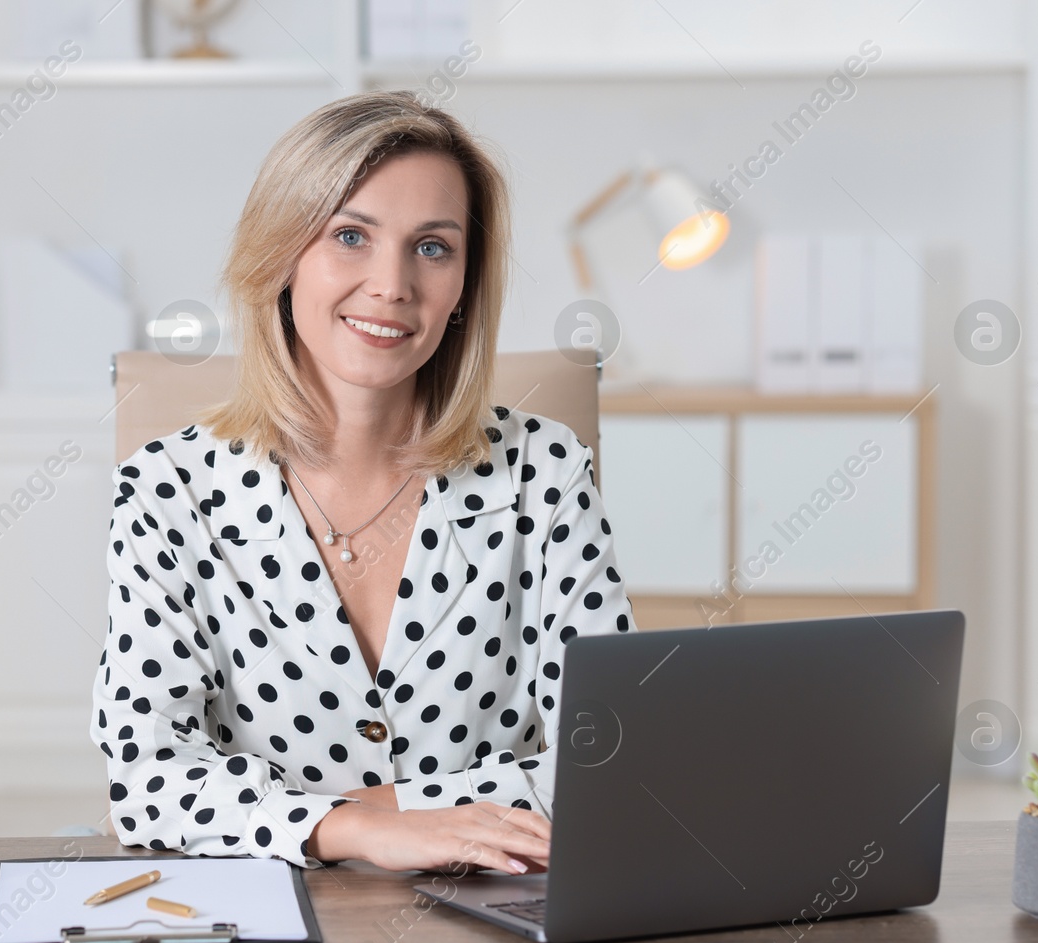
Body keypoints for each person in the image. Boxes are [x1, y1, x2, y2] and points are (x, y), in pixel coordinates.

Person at [91, 89, 632, 875]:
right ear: (281, 258)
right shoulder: (167, 488)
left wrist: (364, 810)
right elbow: (144, 780)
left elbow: (614, 757)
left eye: (433, 247)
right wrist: (359, 830)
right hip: (266, 932)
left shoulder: (542, 470)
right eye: (350, 236)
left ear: (462, 290)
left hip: (494, 920)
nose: (392, 285)